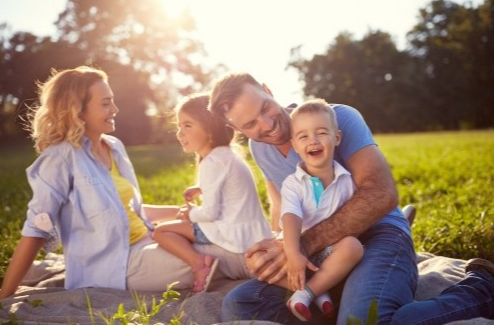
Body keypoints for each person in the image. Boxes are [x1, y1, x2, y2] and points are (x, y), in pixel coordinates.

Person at [209, 71, 494, 325]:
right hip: (323, 253)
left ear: (267, 89)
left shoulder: (337, 117)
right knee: (241, 304)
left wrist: (301, 245)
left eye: (265, 107)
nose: (268, 123)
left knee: (364, 321)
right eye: (251, 124)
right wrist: (276, 249)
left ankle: (481, 290)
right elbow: (283, 206)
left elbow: (381, 194)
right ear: (237, 130)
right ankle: (337, 298)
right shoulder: (260, 148)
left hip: (378, 234)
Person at [0, 67, 251, 300]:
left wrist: (181, 214)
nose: (115, 109)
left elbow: (129, 212)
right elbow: (36, 230)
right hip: (118, 266)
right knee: (224, 254)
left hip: (149, 240)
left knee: (232, 235)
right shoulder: (59, 158)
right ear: (78, 110)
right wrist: (5, 295)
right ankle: (284, 274)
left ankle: (281, 259)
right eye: (106, 104)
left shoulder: (114, 146)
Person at [152, 93, 272, 294]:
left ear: (209, 130)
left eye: (187, 126)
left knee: (161, 231)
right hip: (253, 232)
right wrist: (200, 187)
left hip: (231, 233)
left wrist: (188, 214)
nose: (180, 133)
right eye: (179, 126)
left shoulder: (212, 162)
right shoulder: (227, 155)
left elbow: (209, 213)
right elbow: (226, 185)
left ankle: (199, 264)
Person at [275, 99, 363, 321]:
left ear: (337, 137)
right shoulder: (293, 183)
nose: (312, 140)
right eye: (303, 136)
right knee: (259, 260)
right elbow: (291, 216)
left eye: (321, 132)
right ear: (295, 144)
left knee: (354, 247)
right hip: (297, 248)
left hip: (328, 252)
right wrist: (294, 254)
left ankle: (305, 294)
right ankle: (320, 291)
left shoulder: (347, 181)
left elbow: (355, 219)